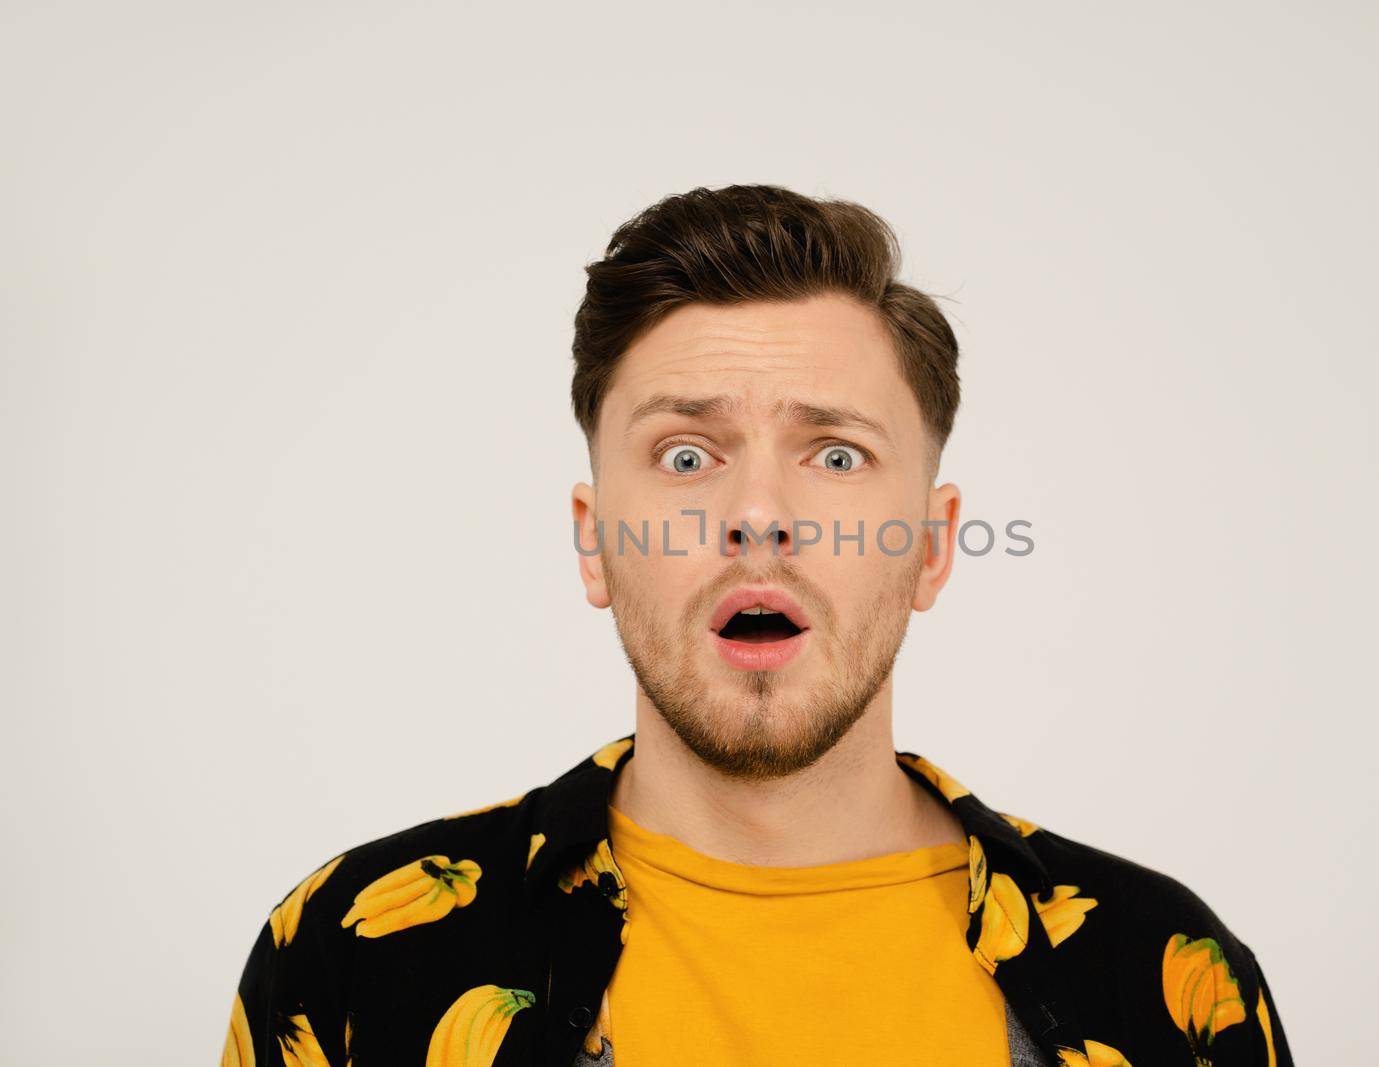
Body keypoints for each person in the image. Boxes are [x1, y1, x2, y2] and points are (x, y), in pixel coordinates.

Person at [220, 184, 1294, 1067]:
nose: (758, 514)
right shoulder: (355, 949)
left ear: (929, 544)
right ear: (594, 541)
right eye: (687, 455)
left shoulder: (1168, 975)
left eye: (835, 455)